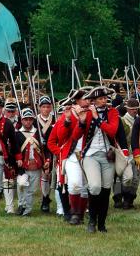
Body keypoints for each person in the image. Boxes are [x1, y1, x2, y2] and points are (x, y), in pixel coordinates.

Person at [71, 86, 123, 233]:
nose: (104, 101)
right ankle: (92, 220)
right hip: (90, 155)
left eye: (105, 98)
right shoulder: (87, 113)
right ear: (93, 101)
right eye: (100, 98)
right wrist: (81, 122)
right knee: (94, 187)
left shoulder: (112, 112)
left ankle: (102, 224)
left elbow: (112, 131)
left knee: (106, 190)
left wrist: (97, 118)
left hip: (108, 155)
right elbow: (75, 137)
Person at [55, 87, 92, 225]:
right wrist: (68, 120)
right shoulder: (67, 114)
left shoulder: (92, 113)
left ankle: (80, 214)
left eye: (88, 98)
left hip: (89, 154)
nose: (87, 101)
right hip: (72, 154)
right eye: (84, 98)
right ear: (77, 100)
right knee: (75, 184)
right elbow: (60, 136)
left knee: (85, 187)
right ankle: (74, 212)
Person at [113, 98, 140, 209]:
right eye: (132, 109)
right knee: (121, 177)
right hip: (124, 153)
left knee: (135, 178)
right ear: (127, 109)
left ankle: (129, 200)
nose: (134, 111)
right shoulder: (122, 121)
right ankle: (118, 198)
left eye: (136, 109)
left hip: (136, 153)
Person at [15, 108, 42, 216]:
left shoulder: (38, 133)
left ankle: (27, 210)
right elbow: (14, 150)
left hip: (36, 165)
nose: (28, 122)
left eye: (30, 119)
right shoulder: (17, 134)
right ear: (22, 120)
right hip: (23, 166)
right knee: (22, 184)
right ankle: (22, 205)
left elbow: (43, 149)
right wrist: (18, 160)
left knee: (31, 189)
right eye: (25, 119)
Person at [34, 95, 55, 213]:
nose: (46, 109)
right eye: (43, 107)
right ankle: (45, 199)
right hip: (39, 150)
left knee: (51, 175)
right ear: (39, 108)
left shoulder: (55, 119)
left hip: (52, 150)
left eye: (48, 107)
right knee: (44, 174)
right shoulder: (35, 120)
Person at [3, 97, 19, 214]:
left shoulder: (21, 122)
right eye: (8, 111)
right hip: (5, 154)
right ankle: (9, 206)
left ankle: (19, 204)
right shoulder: (1, 122)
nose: (11, 113)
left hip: (18, 153)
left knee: (17, 180)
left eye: (13, 111)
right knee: (7, 180)